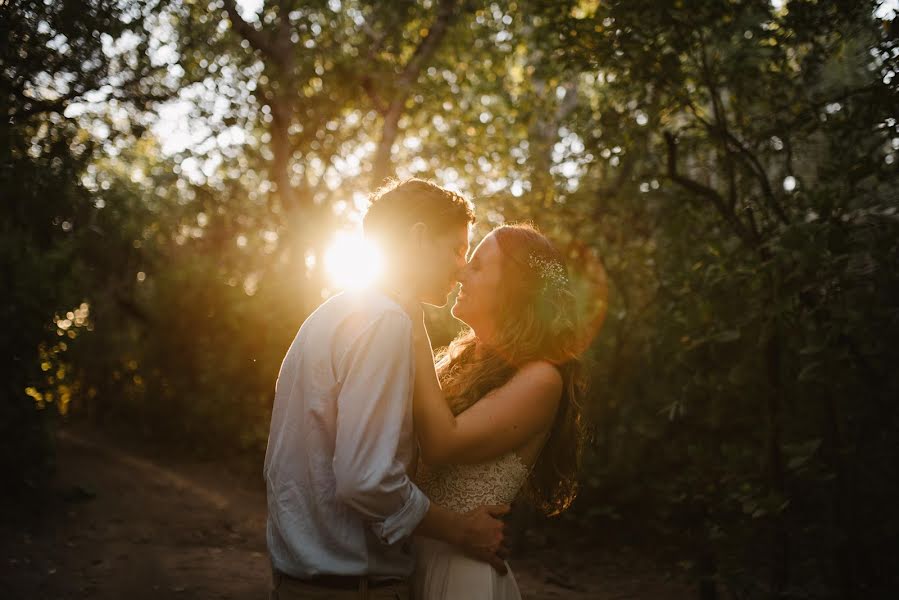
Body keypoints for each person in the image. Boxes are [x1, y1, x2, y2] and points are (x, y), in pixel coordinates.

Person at [263, 179, 509, 600]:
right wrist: (460, 529)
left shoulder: (334, 314)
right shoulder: (384, 321)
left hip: (301, 582)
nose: (462, 266)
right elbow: (365, 480)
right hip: (351, 589)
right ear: (417, 238)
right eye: (455, 248)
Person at [405, 223, 588, 600]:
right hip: (413, 556)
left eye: (476, 266)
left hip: (459, 573)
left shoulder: (541, 379)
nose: (460, 272)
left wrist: (411, 319)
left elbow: (441, 444)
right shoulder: (467, 358)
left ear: (514, 289)